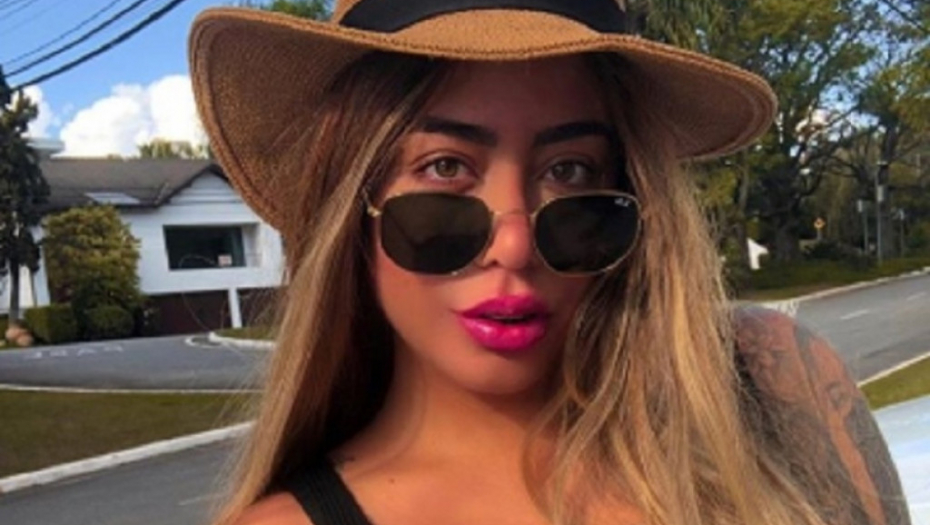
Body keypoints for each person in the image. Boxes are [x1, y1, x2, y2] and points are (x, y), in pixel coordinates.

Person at [188, 2, 911, 524]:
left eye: (569, 170)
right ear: (352, 208)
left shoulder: (778, 394)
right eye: (446, 167)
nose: (516, 246)